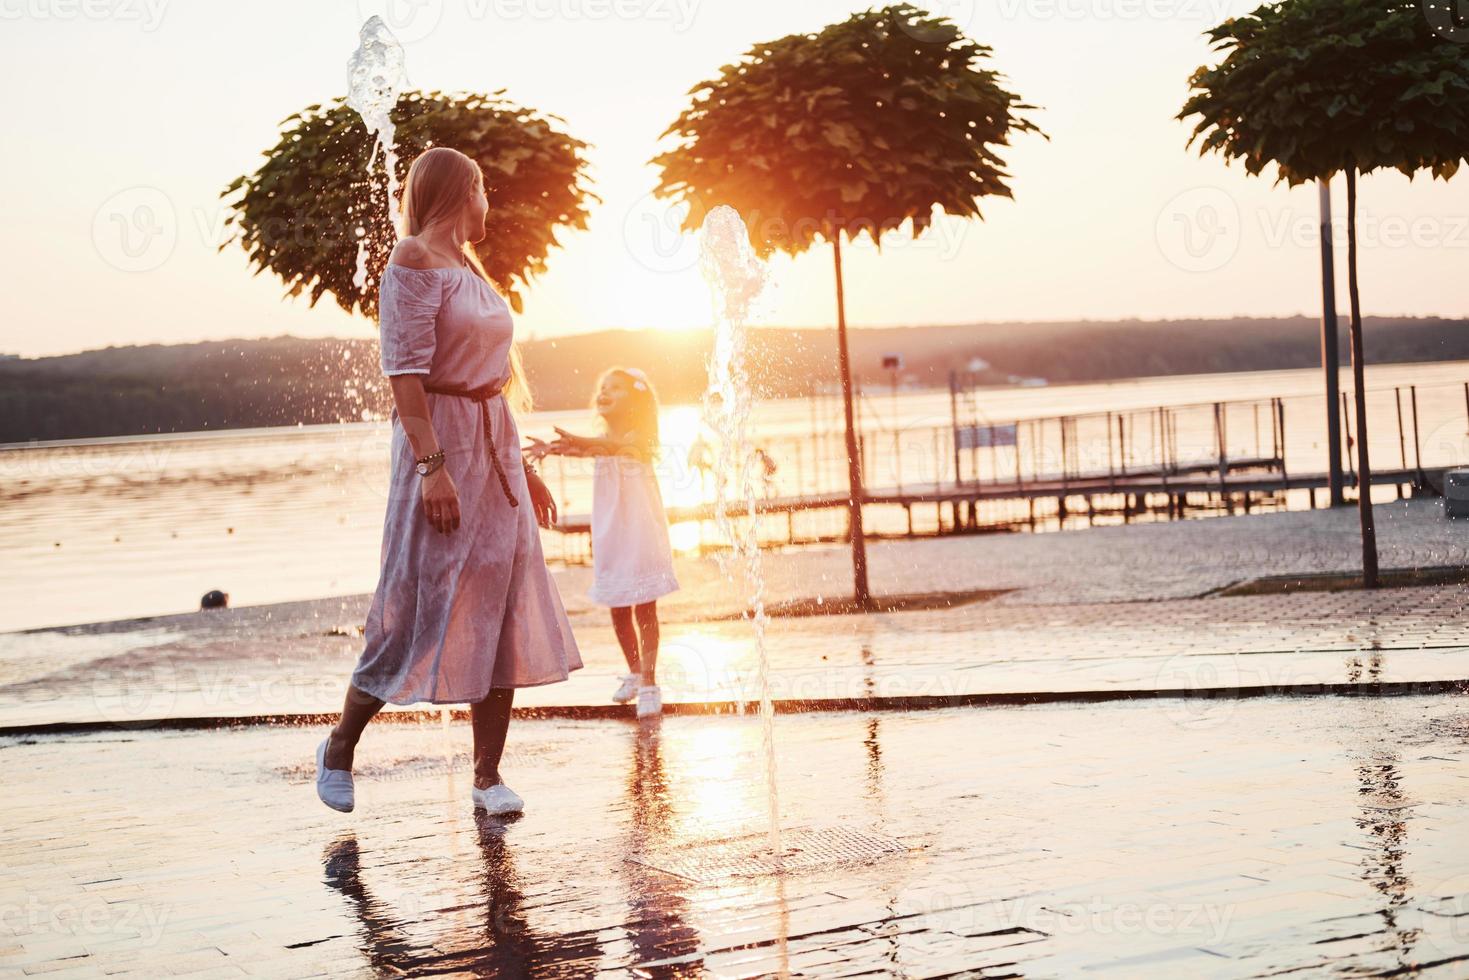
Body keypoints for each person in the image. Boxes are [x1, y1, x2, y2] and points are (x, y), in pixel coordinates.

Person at [315, 146, 581, 817]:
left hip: (493, 450)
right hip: (440, 446)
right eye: (484, 188)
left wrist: (521, 464)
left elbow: (494, 380)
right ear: (463, 191)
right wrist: (434, 470)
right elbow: (404, 373)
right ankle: (341, 744)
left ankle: (487, 777)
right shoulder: (413, 261)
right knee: (415, 604)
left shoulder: (471, 268)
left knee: (501, 607)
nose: (489, 202)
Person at [528, 368, 678, 718]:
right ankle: (636, 671)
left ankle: (651, 684)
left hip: (641, 532)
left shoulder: (641, 436)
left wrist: (577, 442)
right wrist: (552, 448)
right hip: (612, 531)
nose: (605, 392)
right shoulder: (601, 439)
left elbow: (613, 448)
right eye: (603, 387)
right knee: (618, 606)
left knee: (645, 609)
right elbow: (590, 449)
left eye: (616, 388)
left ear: (636, 399)